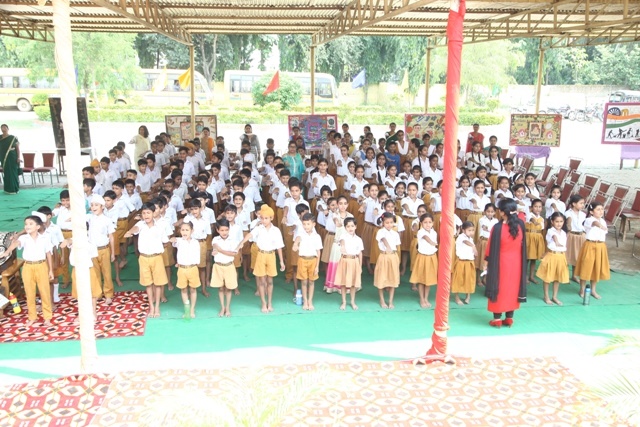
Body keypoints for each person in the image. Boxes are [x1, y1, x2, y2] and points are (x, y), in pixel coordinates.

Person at [1, 214, 54, 326]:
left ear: (38, 226)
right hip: (28, 267)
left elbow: (48, 254)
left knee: (44, 292)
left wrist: (51, 270)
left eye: (31, 224)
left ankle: (47, 317)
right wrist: (7, 251)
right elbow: (16, 243)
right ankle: (32, 317)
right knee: (29, 292)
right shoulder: (23, 238)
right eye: (26, 224)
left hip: (41, 266)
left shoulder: (45, 238)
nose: (27, 226)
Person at [484, 199, 527, 328]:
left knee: (499, 287)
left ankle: (497, 319)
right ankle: (509, 318)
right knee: (512, 289)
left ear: (502, 212)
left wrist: (486, 262)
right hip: (516, 262)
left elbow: (490, 247)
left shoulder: (497, 228)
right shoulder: (520, 225)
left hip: (501, 262)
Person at [236, 205, 285, 313]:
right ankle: (263, 303)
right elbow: (249, 235)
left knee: (270, 281)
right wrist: (241, 243)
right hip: (261, 255)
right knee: (262, 281)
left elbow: (279, 246)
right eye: (262, 218)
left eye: (266, 218)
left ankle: (270, 303)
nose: (263, 220)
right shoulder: (258, 228)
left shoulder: (276, 230)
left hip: (271, 255)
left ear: (271, 218)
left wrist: (281, 261)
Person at [124, 202, 169, 318]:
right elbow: (135, 228)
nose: (146, 215)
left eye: (148, 212)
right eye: (143, 213)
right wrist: (130, 232)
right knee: (148, 284)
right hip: (144, 258)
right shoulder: (140, 224)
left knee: (158, 283)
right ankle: (151, 307)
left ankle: (157, 306)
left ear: (154, 213)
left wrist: (158, 249)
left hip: (156, 257)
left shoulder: (160, 227)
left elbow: (165, 242)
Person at [575, 201, 610, 300]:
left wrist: (602, 225)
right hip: (590, 245)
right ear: (591, 211)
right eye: (598, 209)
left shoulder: (603, 221)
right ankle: (582, 289)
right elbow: (594, 223)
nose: (601, 211)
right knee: (586, 267)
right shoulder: (589, 220)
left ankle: (593, 290)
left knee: (596, 268)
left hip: (600, 246)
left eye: (602, 209)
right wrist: (599, 225)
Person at [536, 212, 569, 305]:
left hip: (561, 256)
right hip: (552, 256)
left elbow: (564, 246)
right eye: (557, 221)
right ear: (552, 222)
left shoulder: (563, 232)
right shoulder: (551, 231)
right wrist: (557, 242)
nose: (559, 223)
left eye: (561, 221)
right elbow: (554, 237)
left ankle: (554, 296)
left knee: (557, 278)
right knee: (547, 277)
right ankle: (546, 296)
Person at [293, 213, 323, 310]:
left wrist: (317, 266)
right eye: (304, 224)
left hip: (313, 260)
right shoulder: (300, 235)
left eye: (308, 224)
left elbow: (318, 252)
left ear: (313, 224)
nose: (306, 226)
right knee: (304, 282)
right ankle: (305, 301)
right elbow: (297, 240)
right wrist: (295, 244)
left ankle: (310, 300)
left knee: (311, 282)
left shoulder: (317, 236)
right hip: (302, 260)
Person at [171, 222, 201, 319]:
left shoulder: (195, 242)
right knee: (183, 289)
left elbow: (197, 256)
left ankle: (192, 309)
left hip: (192, 268)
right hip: (182, 269)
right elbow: (173, 240)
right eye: (182, 230)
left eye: (187, 230)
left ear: (192, 231)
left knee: (193, 289)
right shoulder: (179, 241)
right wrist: (172, 238)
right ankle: (186, 308)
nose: (184, 232)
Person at [211, 219, 240, 317]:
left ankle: (227, 307)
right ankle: (222, 307)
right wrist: (216, 250)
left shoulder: (233, 240)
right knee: (220, 288)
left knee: (228, 289)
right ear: (217, 230)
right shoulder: (215, 239)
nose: (224, 232)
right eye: (222, 230)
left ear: (229, 229)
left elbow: (233, 254)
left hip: (229, 266)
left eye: (226, 230)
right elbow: (215, 246)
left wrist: (220, 250)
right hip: (218, 266)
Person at [409, 213, 438, 308]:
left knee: (428, 280)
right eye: (425, 222)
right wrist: (433, 243)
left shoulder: (434, 232)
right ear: (421, 223)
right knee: (421, 280)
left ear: (433, 223)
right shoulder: (420, 232)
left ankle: (426, 298)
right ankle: (422, 298)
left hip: (432, 257)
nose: (428, 224)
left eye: (430, 222)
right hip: (422, 257)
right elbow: (426, 238)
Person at [335, 217, 363, 311]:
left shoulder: (359, 239)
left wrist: (360, 265)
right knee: (343, 283)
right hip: (344, 260)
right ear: (345, 227)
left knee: (353, 284)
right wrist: (342, 246)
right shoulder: (343, 236)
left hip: (354, 261)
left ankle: (352, 301)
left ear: (356, 226)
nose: (350, 228)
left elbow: (360, 253)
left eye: (352, 226)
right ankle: (344, 302)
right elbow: (342, 242)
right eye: (348, 226)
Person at [374, 212, 401, 309]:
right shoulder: (380, 232)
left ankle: (390, 301)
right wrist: (388, 246)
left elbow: (397, 246)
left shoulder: (395, 233)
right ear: (383, 223)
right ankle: (382, 300)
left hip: (393, 256)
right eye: (387, 223)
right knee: (382, 278)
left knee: (393, 278)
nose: (389, 225)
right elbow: (383, 239)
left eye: (391, 222)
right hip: (384, 256)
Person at [452, 221, 477, 305]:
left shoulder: (471, 239)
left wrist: (475, 252)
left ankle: (468, 296)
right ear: (463, 230)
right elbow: (466, 242)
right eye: (469, 230)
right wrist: (473, 246)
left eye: (472, 230)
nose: (471, 232)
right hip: (461, 262)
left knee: (469, 279)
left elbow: (473, 251)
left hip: (469, 262)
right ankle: (457, 297)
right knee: (458, 279)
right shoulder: (460, 237)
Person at [564, 195, 586, 283]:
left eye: (583, 203)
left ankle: (574, 275)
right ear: (573, 204)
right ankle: (565, 276)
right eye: (581, 203)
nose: (582, 205)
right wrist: (568, 226)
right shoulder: (568, 213)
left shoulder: (583, 214)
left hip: (581, 236)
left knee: (577, 256)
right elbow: (568, 222)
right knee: (568, 256)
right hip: (571, 235)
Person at [525, 199, 545, 284]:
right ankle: (524, 277)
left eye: (539, 207)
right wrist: (535, 222)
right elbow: (531, 219)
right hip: (529, 237)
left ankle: (531, 276)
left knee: (534, 259)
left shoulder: (541, 219)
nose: (537, 208)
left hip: (537, 238)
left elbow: (542, 229)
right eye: (535, 206)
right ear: (532, 207)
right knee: (527, 259)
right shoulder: (529, 215)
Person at [0, 124, 20, 194]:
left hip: (12, 157)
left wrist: (18, 157)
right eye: (2, 127)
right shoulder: (0, 137)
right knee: (7, 172)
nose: (3, 128)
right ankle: (7, 189)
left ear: (8, 129)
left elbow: (17, 148)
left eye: (5, 127)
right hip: (3, 157)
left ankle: (14, 189)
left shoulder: (13, 138)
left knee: (13, 172)